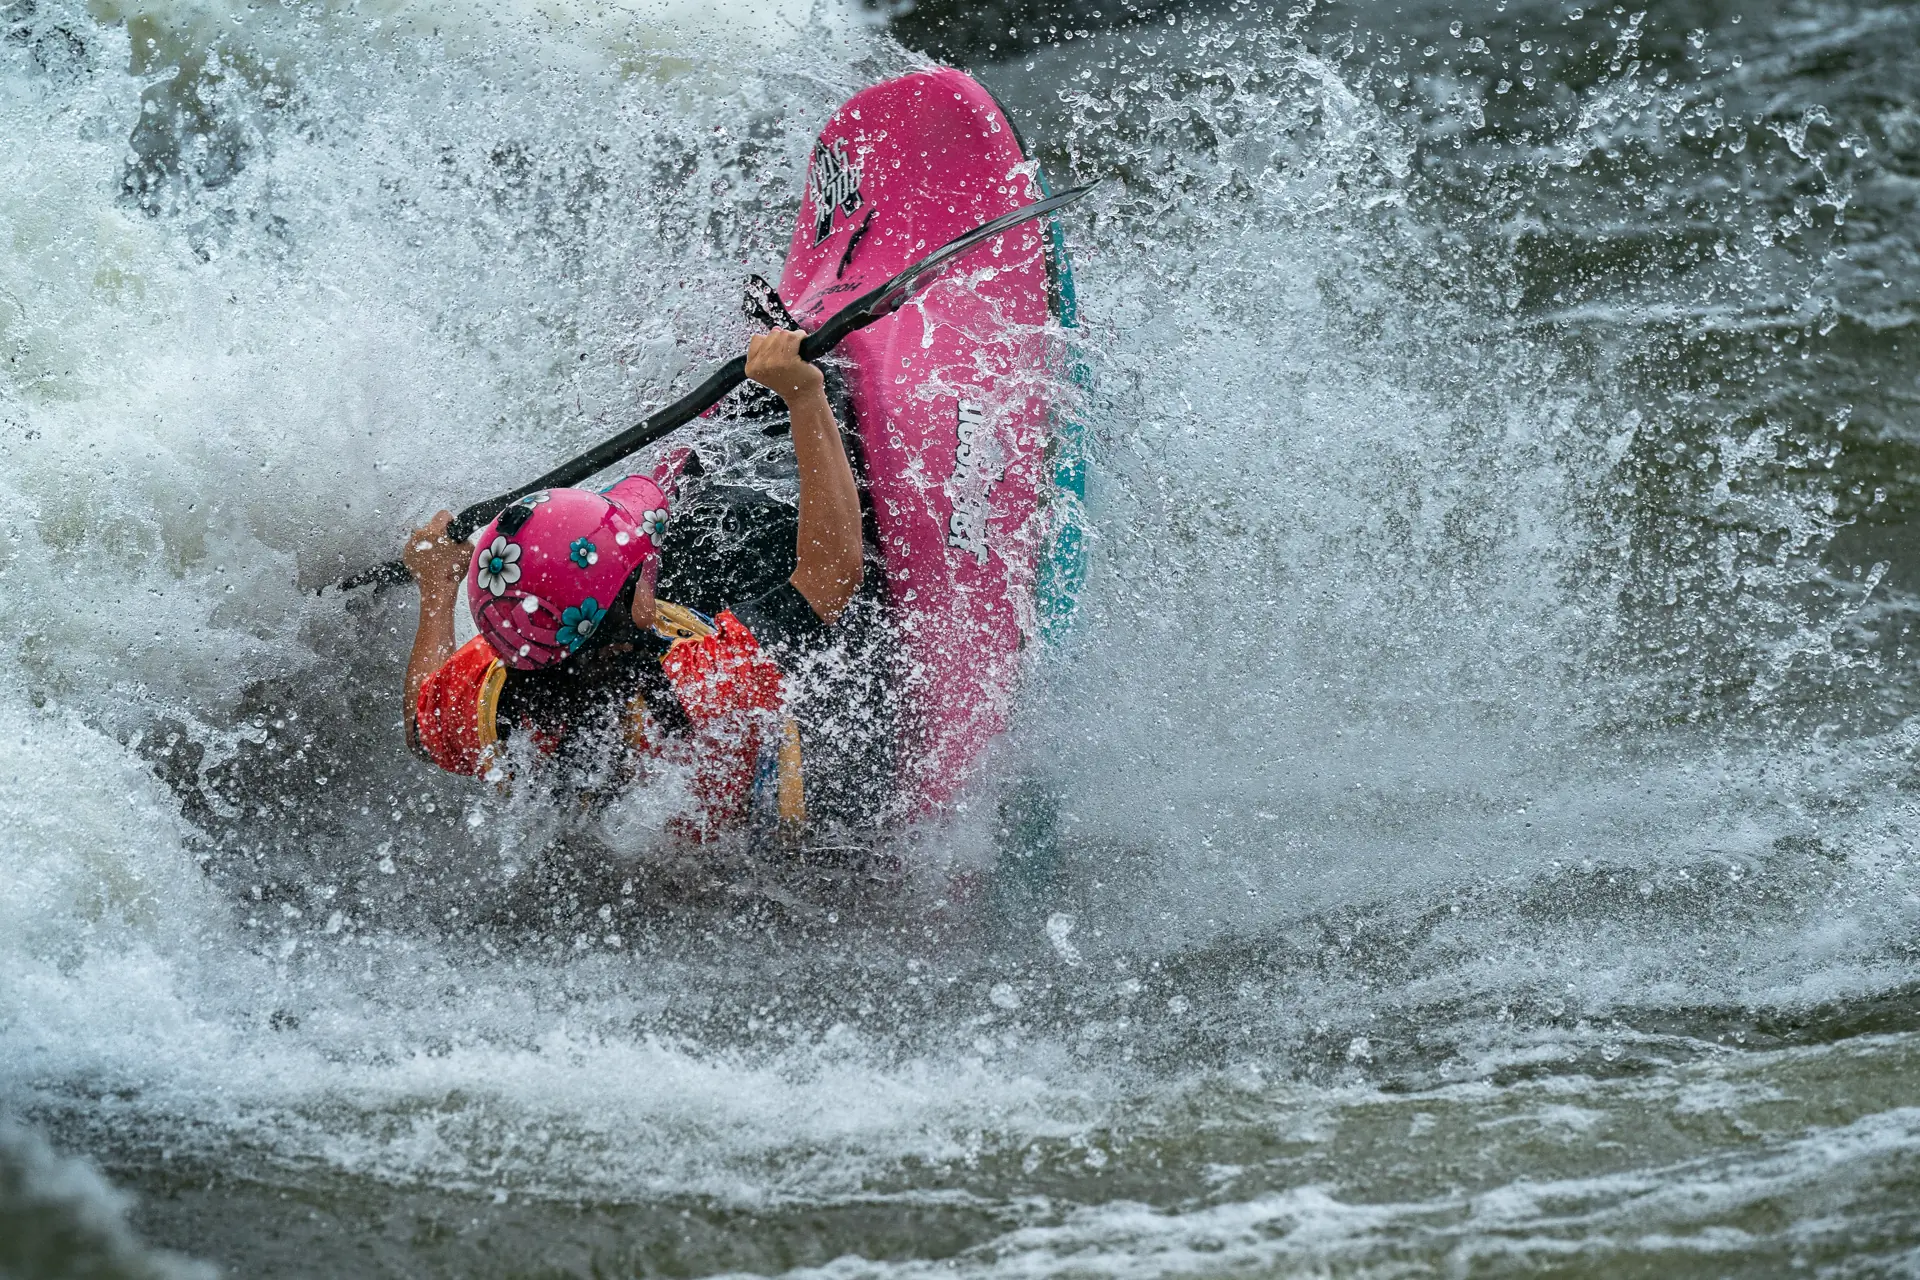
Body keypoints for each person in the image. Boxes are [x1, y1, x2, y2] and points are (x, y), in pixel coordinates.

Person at [399, 329, 889, 840]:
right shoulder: (703, 680)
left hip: (661, 813)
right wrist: (803, 395)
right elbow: (831, 575)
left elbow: (419, 727)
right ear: (631, 604)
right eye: (642, 568)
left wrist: (436, 587)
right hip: (778, 783)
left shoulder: (491, 695)